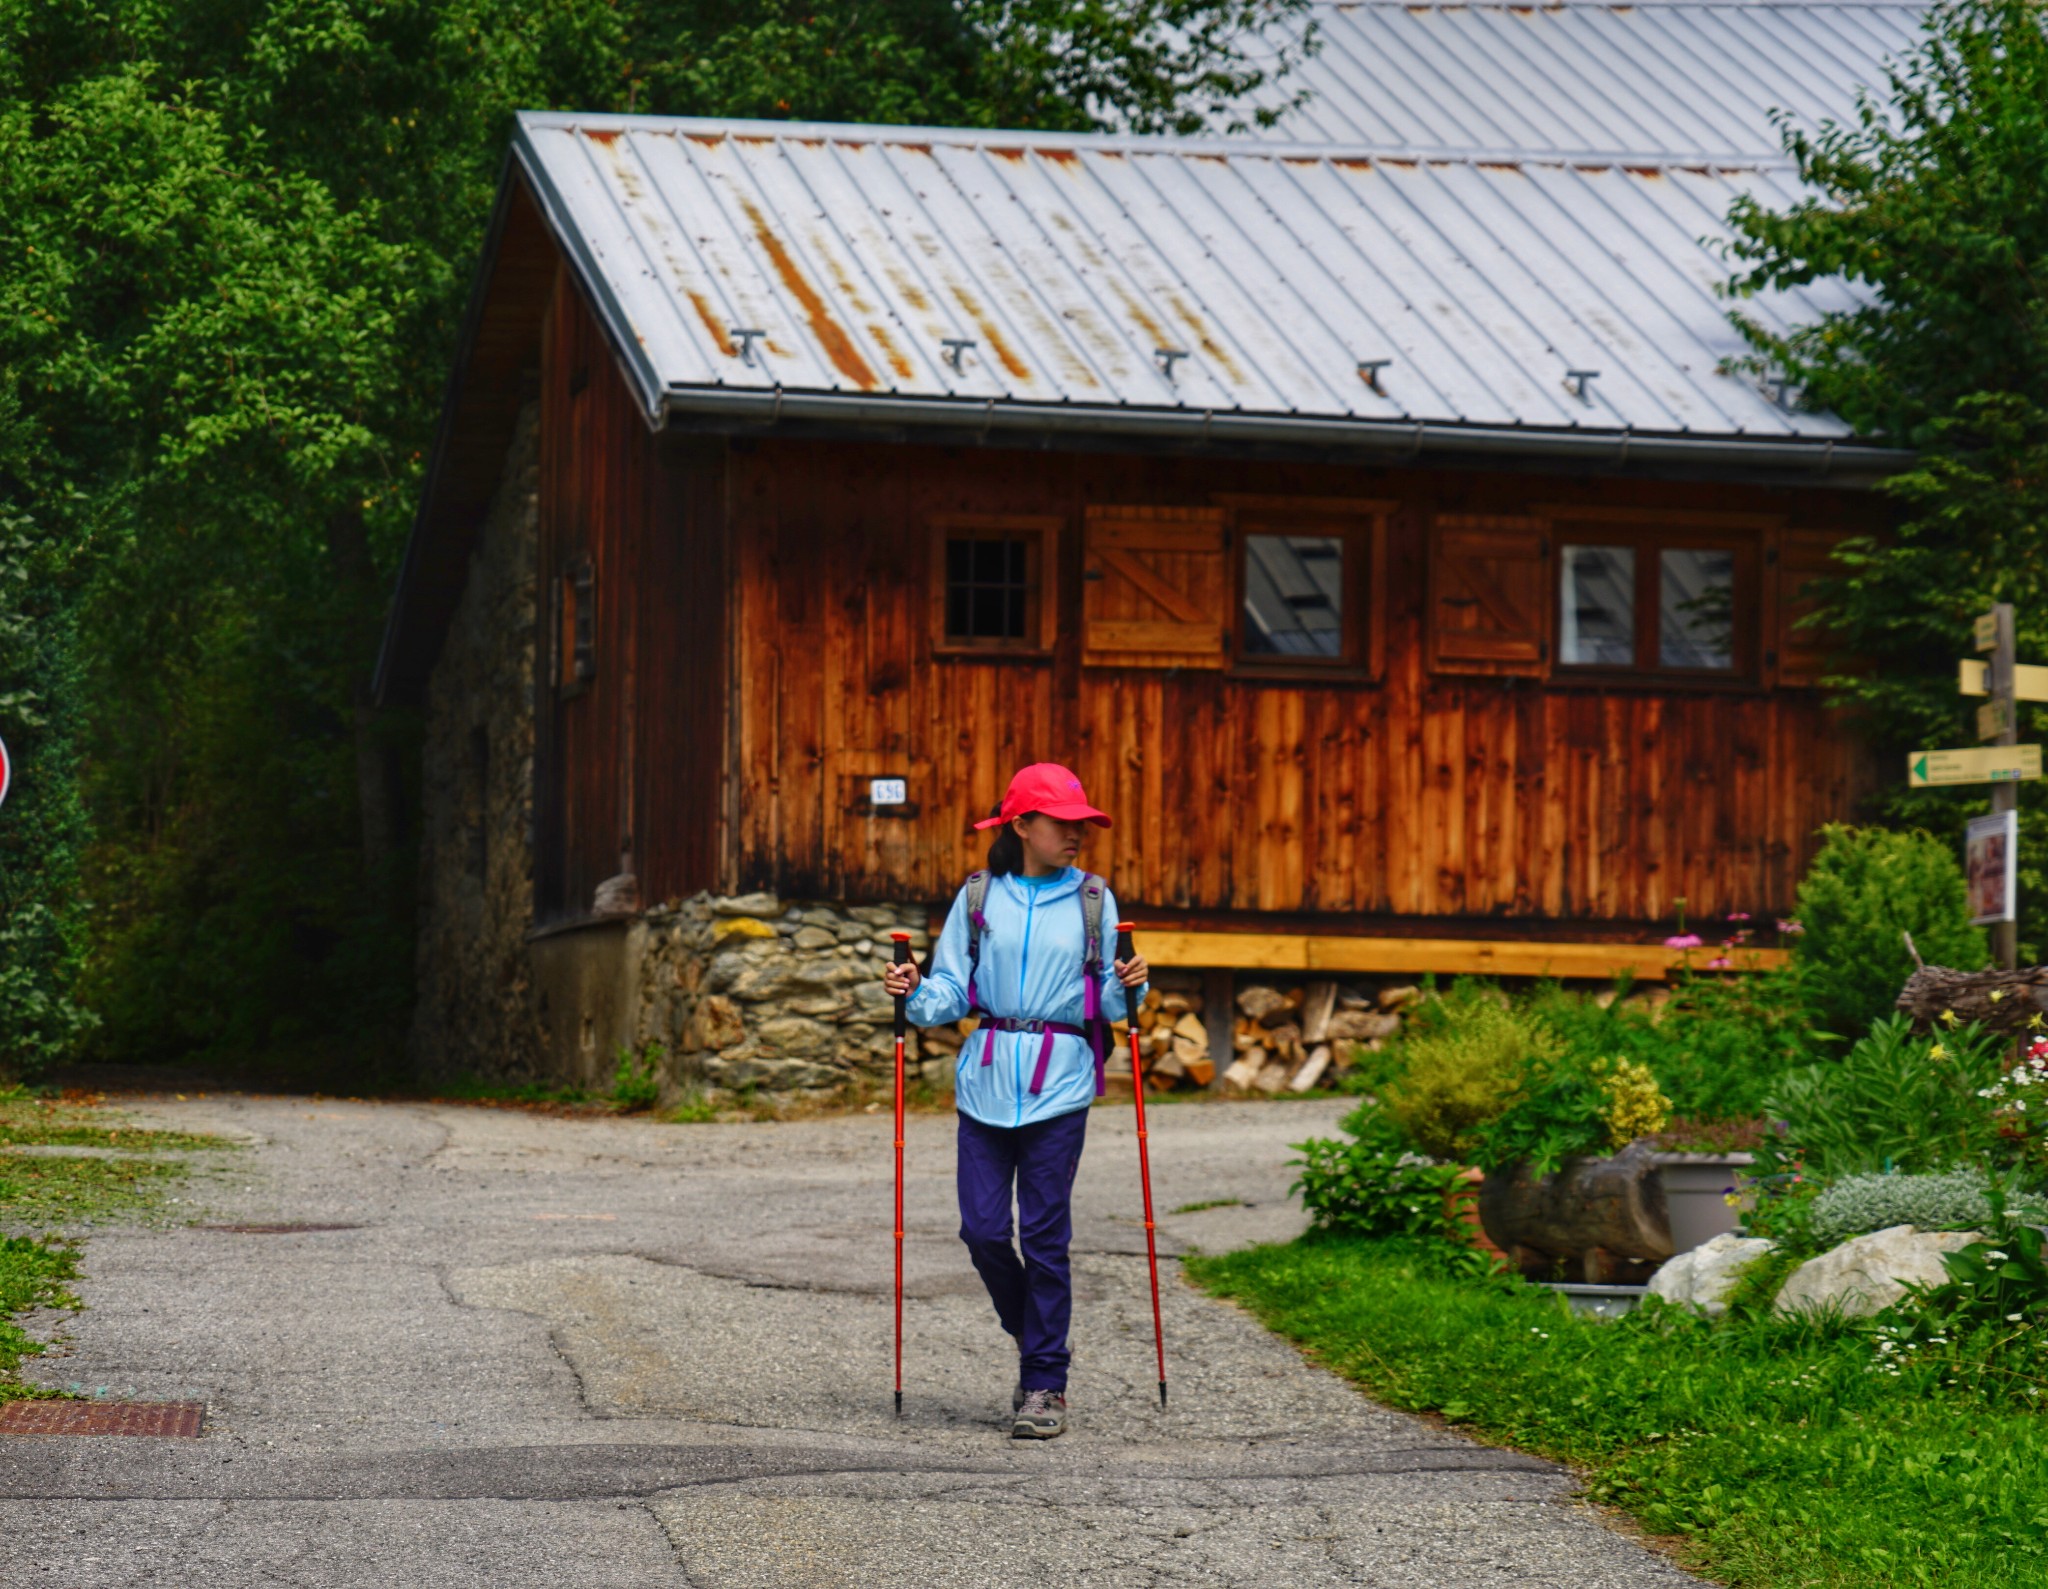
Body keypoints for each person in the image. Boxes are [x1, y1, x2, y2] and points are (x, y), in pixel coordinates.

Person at [881, 762, 1147, 1440]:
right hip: (986, 1080)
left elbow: (1111, 1000)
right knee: (983, 1230)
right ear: (1023, 825)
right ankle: (1040, 1342)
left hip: (1061, 1080)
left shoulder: (1093, 898)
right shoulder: (978, 897)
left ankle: (1044, 1383)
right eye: (1064, 822)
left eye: (1083, 823)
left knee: (1046, 1234)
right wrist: (910, 991)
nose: (1078, 834)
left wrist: (1133, 984)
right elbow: (949, 990)